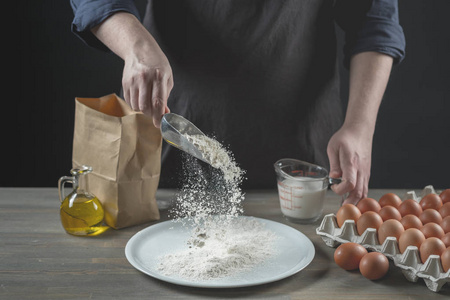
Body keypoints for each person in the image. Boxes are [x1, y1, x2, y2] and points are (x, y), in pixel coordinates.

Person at [70, 0, 405, 205]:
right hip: (171, 155)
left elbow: (374, 20)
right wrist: (136, 46)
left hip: (301, 171)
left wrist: (359, 127)